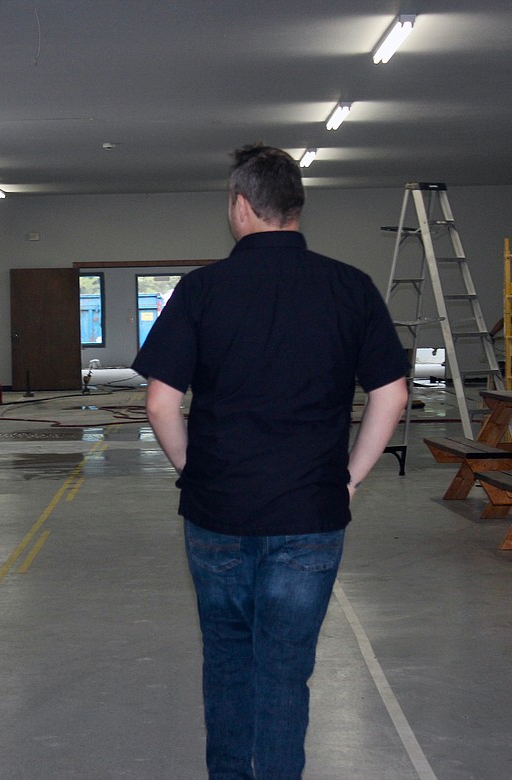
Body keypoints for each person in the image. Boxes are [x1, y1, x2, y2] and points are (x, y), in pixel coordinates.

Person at [131, 143, 408, 779]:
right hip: (310, 512)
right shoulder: (350, 287)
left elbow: (160, 403)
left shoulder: (202, 289)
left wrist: (193, 469)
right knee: (286, 671)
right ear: (296, 207)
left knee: (227, 662)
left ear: (240, 206)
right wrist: (349, 477)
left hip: (218, 511)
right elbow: (391, 395)